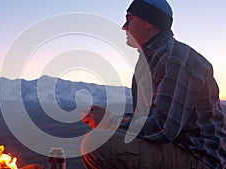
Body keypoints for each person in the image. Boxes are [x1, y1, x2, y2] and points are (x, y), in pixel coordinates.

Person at [81, 0, 226, 168]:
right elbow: (147, 118)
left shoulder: (175, 59)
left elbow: (162, 128)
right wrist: (111, 119)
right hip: (178, 149)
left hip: (198, 158)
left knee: (97, 142)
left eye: (129, 19)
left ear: (149, 22)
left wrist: (110, 122)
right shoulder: (152, 60)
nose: (124, 27)